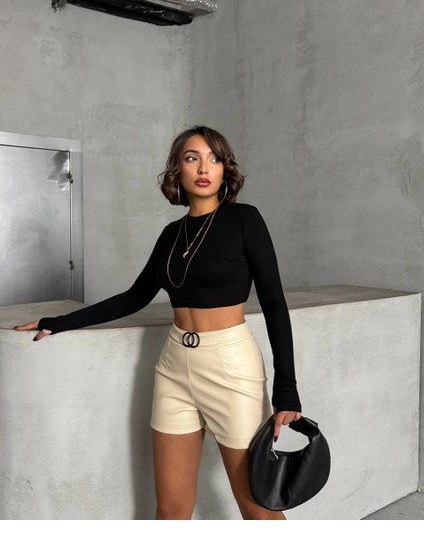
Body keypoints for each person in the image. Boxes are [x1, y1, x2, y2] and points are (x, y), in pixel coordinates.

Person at [15, 125, 302, 520]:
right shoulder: (171, 234)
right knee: (170, 510)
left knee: (258, 508)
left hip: (230, 366)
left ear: (225, 170)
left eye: (214, 159)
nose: (204, 168)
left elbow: (273, 302)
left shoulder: (244, 220)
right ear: (177, 170)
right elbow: (135, 296)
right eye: (192, 158)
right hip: (174, 367)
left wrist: (287, 388)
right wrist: (60, 321)